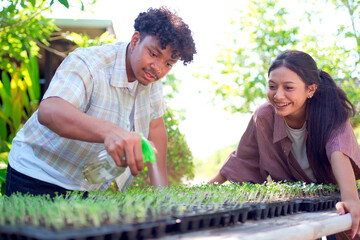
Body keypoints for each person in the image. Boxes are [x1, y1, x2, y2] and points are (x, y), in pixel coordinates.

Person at [5, 7, 196, 197]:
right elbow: (50, 110)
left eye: (168, 64)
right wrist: (110, 132)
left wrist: (163, 196)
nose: (159, 69)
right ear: (135, 40)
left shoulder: (151, 82)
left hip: (86, 186)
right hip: (36, 174)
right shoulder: (90, 63)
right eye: (153, 54)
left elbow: (156, 130)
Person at [210, 50, 360, 239]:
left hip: (333, 201)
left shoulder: (330, 111)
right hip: (296, 210)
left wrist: (351, 199)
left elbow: (339, 151)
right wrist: (204, 192)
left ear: (310, 89)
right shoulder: (264, 116)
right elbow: (241, 159)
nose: (278, 95)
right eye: (272, 86)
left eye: (288, 88)